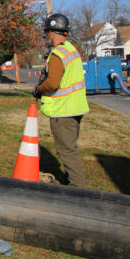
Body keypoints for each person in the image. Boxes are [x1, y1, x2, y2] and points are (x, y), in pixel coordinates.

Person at [33, 13, 89, 188]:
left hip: (64, 111)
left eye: (47, 33)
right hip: (76, 108)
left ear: (51, 32)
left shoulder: (58, 54)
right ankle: (70, 179)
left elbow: (52, 83)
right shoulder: (71, 50)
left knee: (67, 151)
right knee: (70, 148)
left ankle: (77, 189)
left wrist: (38, 89)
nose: (47, 37)